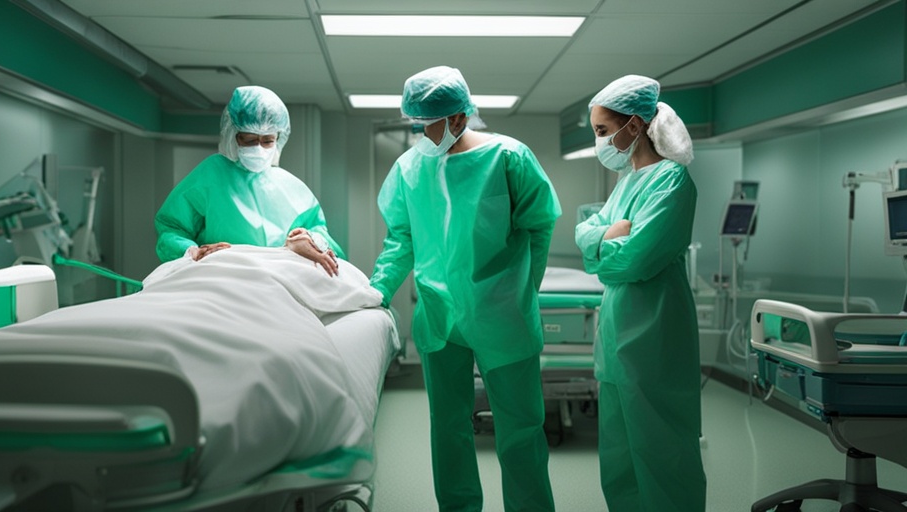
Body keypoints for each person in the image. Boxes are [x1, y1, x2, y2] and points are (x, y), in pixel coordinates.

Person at [370, 66, 561, 512]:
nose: (421, 132)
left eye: (428, 123)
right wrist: (374, 293)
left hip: (503, 316)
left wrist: (522, 292)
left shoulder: (508, 158)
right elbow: (400, 240)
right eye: (416, 124)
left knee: (520, 431)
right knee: (449, 429)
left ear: (459, 117)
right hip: (439, 317)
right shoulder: (409, 168)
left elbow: (540, 225)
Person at [574, 75, 706, 511]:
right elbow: (587, 241)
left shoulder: (672, 182)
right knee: (619, 459)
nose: (600, 142)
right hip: (615, 344)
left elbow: (635, 260)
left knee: (664, 454)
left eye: (602, 131)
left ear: (634, 126)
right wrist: (603, 240)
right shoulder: (625, 185)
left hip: (655, 341)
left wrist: (600, 243)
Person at [155, 86, 342, 275]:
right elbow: (172, 228)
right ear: (231, 134)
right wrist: (190, 251)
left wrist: (311, 240)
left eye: (267, 140)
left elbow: (326, 240)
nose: (259, 149)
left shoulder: (291, 188)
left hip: (279, 278)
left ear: (279, 138)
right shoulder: (211, 174)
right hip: (221, 275)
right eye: (249, 140)